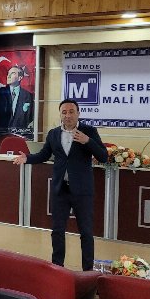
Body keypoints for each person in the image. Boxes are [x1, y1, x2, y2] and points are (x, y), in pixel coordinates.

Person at [13, 99, 108, 271]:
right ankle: (57, 269)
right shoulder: (54, 134)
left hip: (82, 191)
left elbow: (103, 156)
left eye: (71, 112)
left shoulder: (89, 131)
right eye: (64, 112)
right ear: (60, 115)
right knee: (57, 231)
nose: (68, 115)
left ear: (78, 113)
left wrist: (87, 141)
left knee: (86, 233)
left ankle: (88, 271)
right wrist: (27, 158)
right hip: (60, 189)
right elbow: (44, 155)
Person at [0, 65, 34, 133]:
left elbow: (31, 116)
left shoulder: (28, 96)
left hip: (21, 134)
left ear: (20, 78)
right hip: (1, 133)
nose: (8, 76)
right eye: (8, 73)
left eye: (12, 73)